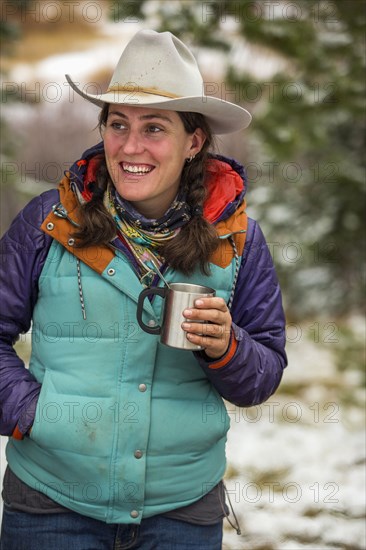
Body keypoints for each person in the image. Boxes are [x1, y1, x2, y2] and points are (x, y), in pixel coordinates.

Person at [0, 29, 287, 550]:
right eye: (117, 124)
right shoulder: (49, 221)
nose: (130, 147)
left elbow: (262, 374)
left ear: (193, 141)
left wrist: (228, 348)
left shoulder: (237, 237)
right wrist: (28, 411)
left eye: (154, 128)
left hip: (181, 513)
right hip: (49, 507)